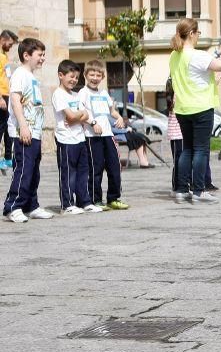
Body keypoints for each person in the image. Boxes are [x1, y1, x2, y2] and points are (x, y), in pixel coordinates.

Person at [168, 18, 221, 204]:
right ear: (192, 33)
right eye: (198, 33)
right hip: (201, 106)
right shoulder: (197, 55)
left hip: (183, 108)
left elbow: (200, 63)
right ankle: (199, 191)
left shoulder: (174, 55)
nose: (199, 36)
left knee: (187, 149)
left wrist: (218, 51)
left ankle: (182, 190)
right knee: (201, 150)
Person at [3, 38, 53, 222]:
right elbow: (15, 100)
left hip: (35, 132)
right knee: (23, 169)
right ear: (26, 55)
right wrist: (23, 126)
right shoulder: (19, 74)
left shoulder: (31, 77)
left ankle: (31, 205)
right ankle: (13, 206)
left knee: (33, 171)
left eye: (43, 55)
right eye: (39, 55)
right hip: (23, 131)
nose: (42, 58)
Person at [53, 61, 103, 215]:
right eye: (71, 77)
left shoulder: (75, 94)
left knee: (83, 171)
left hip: (80, 138)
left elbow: (85, 114)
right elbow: (70, 115)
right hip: (65, 139)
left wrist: (78, 117)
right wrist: (78, 116)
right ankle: (67, 205)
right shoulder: (58, 94)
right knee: (68, 173)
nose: (74, 80)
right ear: (61, 76)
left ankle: (84, 201)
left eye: (76, 77)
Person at [79, 61, 130, 210]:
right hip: (92, 136)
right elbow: (82, 113)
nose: (95, 78)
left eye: (98, 75)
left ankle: (113, 198)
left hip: (108, 135)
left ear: (102, 77)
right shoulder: (83, 93)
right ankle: (95, 199)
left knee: (115, 166)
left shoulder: (103, 93)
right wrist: (93, 123)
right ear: (85, 75)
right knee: (96, 168)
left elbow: (112, 110)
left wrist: (119, 117)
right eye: (92, 74)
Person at [166, 77, 213, 197]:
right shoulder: (178, 96)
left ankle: (183, 186)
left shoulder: (173, 97)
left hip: (177, 133)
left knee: (182, 157)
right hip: (178, 134)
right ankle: (181, 186)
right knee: (185, 156)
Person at [0, 29, 18, 173]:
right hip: (1, 96)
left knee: (8, 126)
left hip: (7, 94)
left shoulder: (4, 56)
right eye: (10, 44)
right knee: (1, 127)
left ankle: (7, 157)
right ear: (3, 39)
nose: (10, 47)